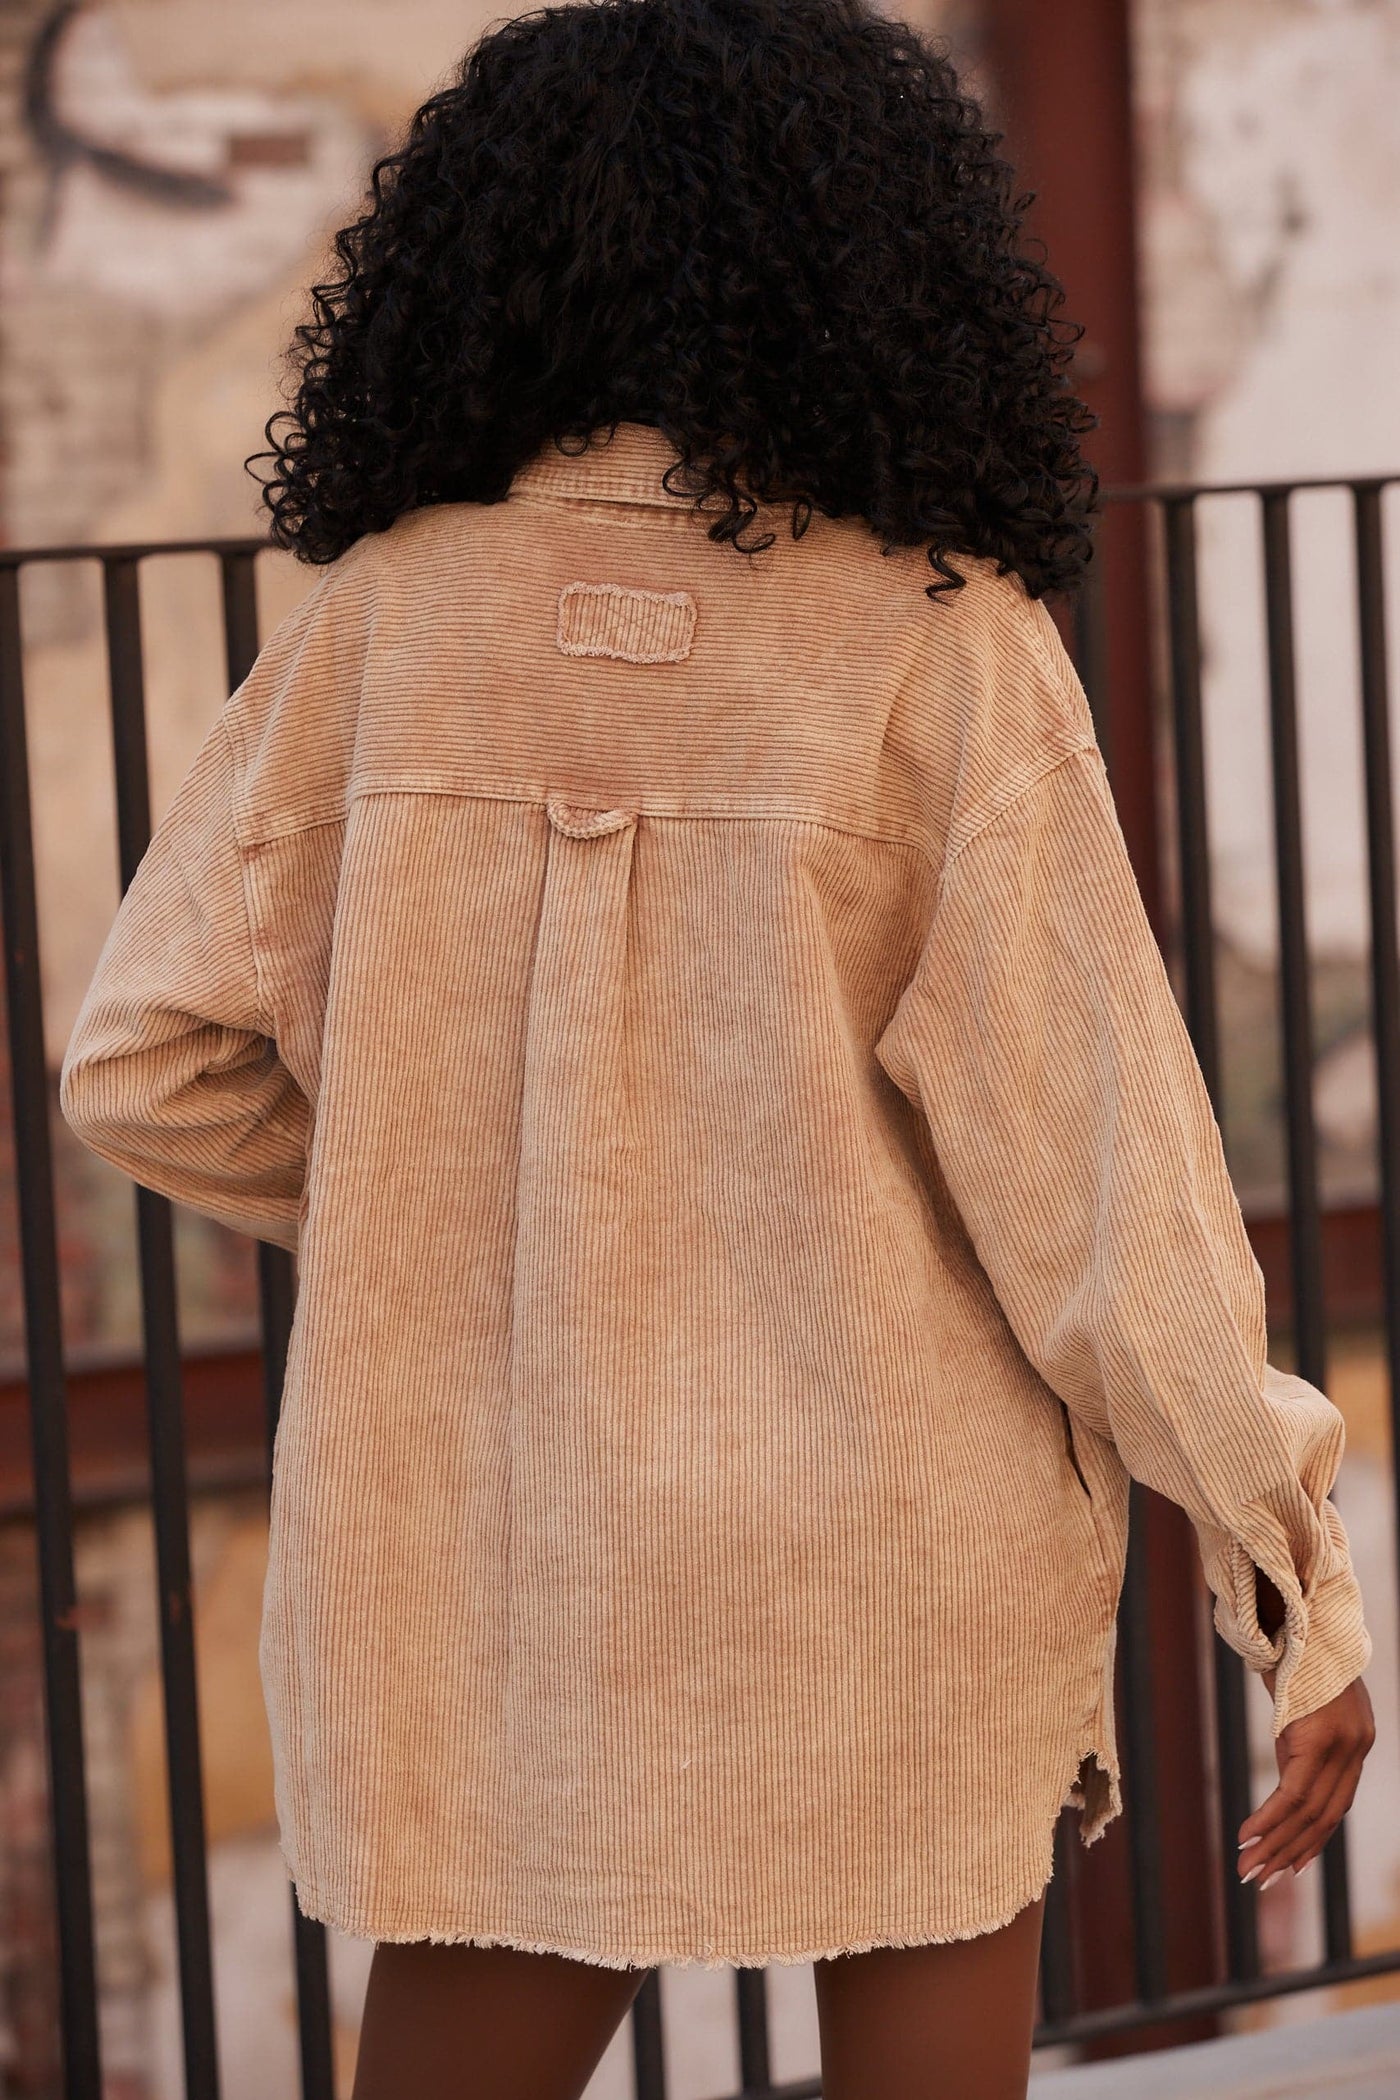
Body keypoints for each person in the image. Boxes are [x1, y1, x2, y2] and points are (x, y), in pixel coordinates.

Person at [58, 3, 1376, 2095]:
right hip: (887, 1541)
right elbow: (1106, 1187)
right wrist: (1294, 1583)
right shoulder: (937, 640)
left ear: (492, 259)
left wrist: (463, 1213)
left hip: (491, 1548)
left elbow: (147, 1058)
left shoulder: (387, 620)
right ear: (881, 261)